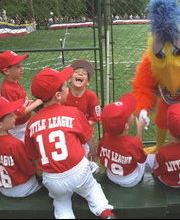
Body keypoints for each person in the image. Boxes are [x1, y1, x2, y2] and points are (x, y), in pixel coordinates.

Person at [25, 67, 115, 219]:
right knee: (92, 188)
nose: (68, 88)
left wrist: (42, 174)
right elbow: (88, 140)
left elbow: (33, 157)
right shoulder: (73, 113)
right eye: (65, 86)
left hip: (53, 179)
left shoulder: (31, 123)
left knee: (60, 201)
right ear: (58, 95)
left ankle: (65, 215)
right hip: (78, 172)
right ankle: (104, 212)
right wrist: (92, 154)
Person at [0, 95, 41, 198]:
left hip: (2, 188)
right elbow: (29, 169)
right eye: (11, 115)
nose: (15, 116)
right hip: (24, 188)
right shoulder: (14, 144)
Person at [97, 93, 148, 188]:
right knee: (149, 159)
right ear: (126, 126)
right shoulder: (133, 143)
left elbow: (101, 158)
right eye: (130, 113)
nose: (132, 114)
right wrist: (140, 128)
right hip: (131, 180)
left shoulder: (104, 139)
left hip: (111, 176)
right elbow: (142, 160)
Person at [0, 50, 43, 141]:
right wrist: (37, 103)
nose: (22, 69)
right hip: (17, 128)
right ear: (6, 71)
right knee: (24, 148)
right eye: (18, 67)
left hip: (24, 124)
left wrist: (29, 103)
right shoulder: (8, 89)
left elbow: (20, 102)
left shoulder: (15, 82)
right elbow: (17, 113)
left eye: (21, 66)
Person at [65, 59, 101, 173]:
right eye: (77, 72)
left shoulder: (91, 96)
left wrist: (82, 126)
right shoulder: (64, 93)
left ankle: (90, 164)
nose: (80, 74)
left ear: (88, 82)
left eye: (84, 74)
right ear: (70, 79)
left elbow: (96, 116)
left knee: (90, 151)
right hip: (67, 130)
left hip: (85, 132)